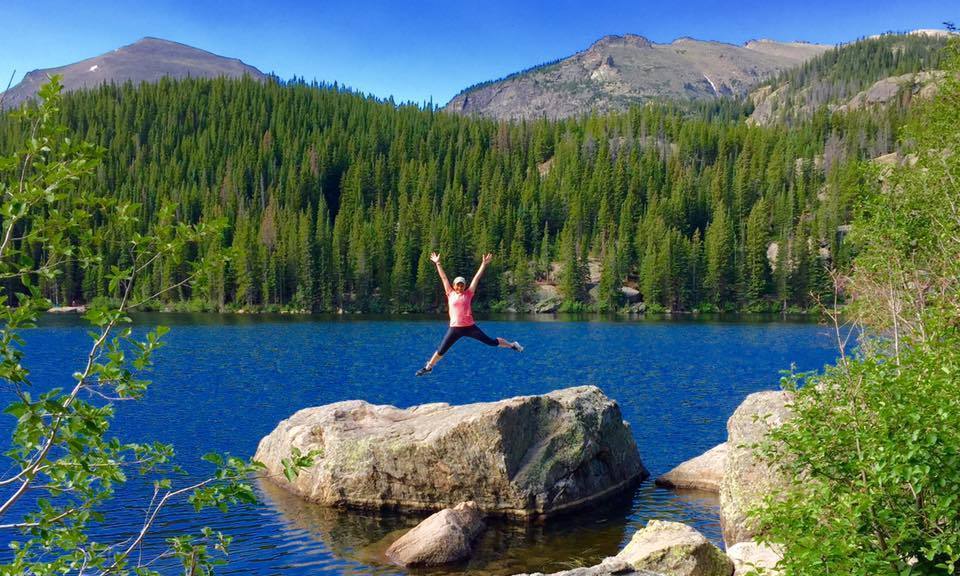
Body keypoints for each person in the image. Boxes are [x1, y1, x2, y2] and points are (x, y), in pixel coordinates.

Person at [416, 252, 523, 376]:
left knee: (491, 342)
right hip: (455, 329)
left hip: (470, 327)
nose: (460, 287)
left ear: (464, 286)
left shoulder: (469, 293)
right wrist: (437, 263)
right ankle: (428, 367)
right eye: (458, 285)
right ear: (454, 286)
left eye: (462, 285)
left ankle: (512, 345)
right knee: (441, 350)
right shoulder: (450, 293)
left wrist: (483, 264)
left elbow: (476, 278)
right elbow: (444, 278)